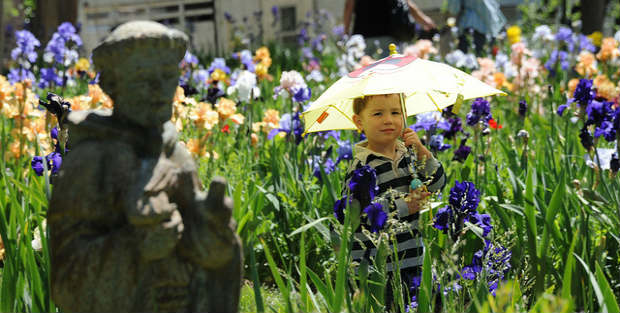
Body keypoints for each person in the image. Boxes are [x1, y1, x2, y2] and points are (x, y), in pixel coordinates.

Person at [343, 93, 446, 309]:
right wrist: (405, 206)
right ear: (359, 122)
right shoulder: (361, 167)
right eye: (378, 113)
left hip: (415, 258)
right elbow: (357, 214)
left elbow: (438, 183)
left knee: (433, 305)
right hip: (380, 267)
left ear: (405, 116)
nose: (388, 119)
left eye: (395, 112)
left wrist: (420, 149)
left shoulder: (408, 155)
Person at [343, 0, 437, 56]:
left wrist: (346, 31)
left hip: (363, 38)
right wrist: (425, 20)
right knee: (389, 74)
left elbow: (349, 6)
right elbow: (406, 3)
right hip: (388, 36)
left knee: (365, 76)